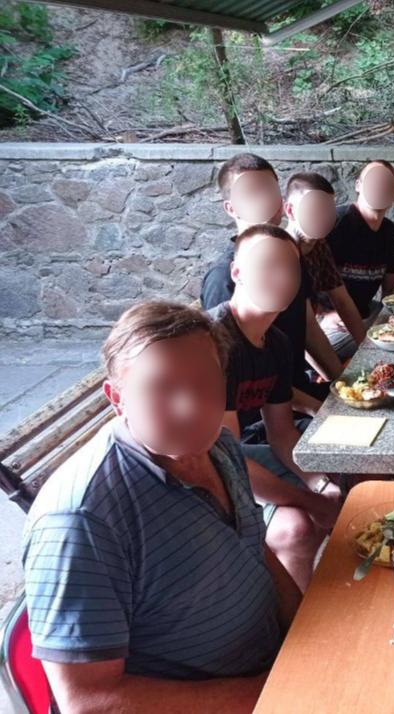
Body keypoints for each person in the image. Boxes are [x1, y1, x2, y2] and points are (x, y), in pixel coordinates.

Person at [22, 302, 300, 712]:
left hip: (277, 671)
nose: (191, 407)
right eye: (161, 388)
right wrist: (267, 694)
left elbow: (254, 550)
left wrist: (307, 636)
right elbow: (88, 700)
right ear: (118, 398)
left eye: (205, 382)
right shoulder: (80, 520)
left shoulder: (219, 446)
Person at [208, 224, 342, 592]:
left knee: (343, 472)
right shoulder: (215, 342)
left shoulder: (277, 342)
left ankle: (318, 600)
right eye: (268, 265)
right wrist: (309, 499)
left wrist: (319, 483)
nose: (282, 276)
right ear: (237, 272)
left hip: (235, 454)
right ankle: (295, 618)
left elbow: (281, 434)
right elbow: (226, 459)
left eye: (290, 267)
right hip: (196, 473)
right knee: (296, 527)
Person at [201, 153, 342, 417]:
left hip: (298, 390)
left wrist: (343, 384)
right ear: (231, 208)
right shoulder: (222, 279)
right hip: (260, 416)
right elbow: (239, 384)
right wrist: (321, 411)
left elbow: (308, 328)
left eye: (271, 190)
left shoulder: (291, 257)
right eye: (252, 192)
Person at [283, 172, 373, 361]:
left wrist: (368, 351)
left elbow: (342, 299)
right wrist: (335, 376)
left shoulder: (319, 244)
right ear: (290, 211)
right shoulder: (282, 254)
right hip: (289, 351)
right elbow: (302, 331)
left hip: (313, 332)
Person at [322, 160, 394, 359]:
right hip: (333, 322)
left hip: (366, 313)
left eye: (387, 183)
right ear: (358, 185)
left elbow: (391, 282)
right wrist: (322, 313)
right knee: (389, 347)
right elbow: (303, 274)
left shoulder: (389, 230)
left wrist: (393, 316)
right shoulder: (335, 222)